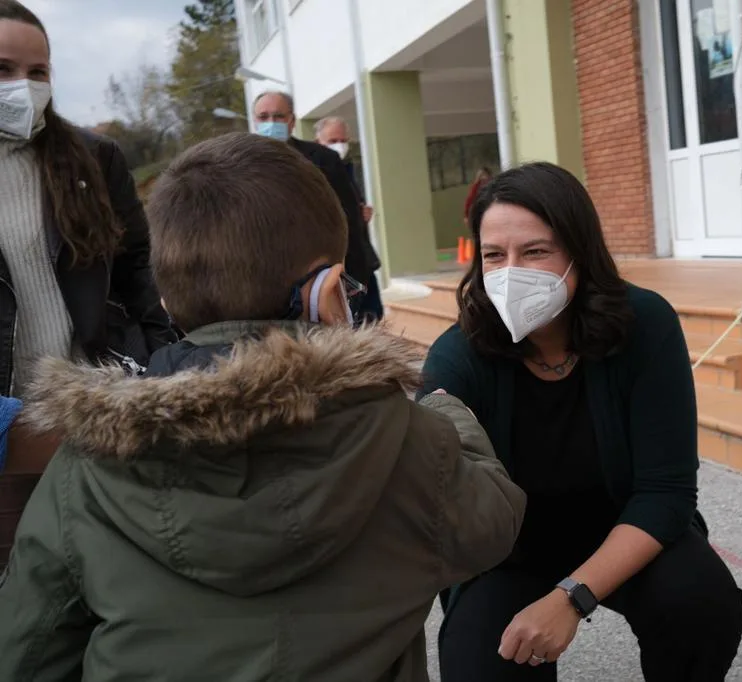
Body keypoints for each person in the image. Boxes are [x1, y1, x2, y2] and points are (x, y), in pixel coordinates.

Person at [0, 133, 527, 682]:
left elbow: (27, 654)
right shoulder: (412, 442)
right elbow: (493, 525)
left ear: (167, 301)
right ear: (327, 295)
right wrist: (451, 417)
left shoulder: (87, 464)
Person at [420, 162, 742, 681]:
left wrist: (571, 597)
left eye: (535, 251)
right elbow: (440, 506)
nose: (510, 273)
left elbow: (668, 491)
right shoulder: (458, 357)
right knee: (479, 661)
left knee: (701, 604)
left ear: (578, 251)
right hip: (509, 552)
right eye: (493, 255)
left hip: (624, 529)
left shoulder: (644, 326)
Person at [0, 0, 175, 570]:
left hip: (94, 417)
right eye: (3, 69)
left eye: (37, 72)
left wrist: (152, 365)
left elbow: (138, 272)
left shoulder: (96, 159)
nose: (23, 87)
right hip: (4, 433)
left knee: (107, 585)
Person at [253, 92, 382, 323]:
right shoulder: (242, 164)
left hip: (320, 279)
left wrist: (353, 279)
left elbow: (348, 221)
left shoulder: (324, 160)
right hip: (266, 284)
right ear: (255, 120)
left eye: (278, 116)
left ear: (292, 120)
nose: (270, 123)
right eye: (263, 117)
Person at [315, 114, 384, 321]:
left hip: (361, 257)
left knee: (372, 315)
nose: (340, 146)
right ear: (319, 142)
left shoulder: (346, 170)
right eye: (333, 141)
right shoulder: (316, 172)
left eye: (343, 141)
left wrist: (360, 213)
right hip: (338, 264)